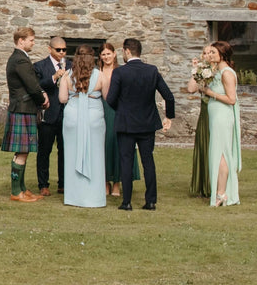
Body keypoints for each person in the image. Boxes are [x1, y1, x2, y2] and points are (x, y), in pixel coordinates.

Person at [105, 37, 175, 211]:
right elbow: (169, 96)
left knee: (126, 161)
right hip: (147, 123)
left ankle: (126, 201)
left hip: (126, 123)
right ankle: (151, 201)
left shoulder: (120, 72)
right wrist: (169, 117)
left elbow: (111, 99)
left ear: (127, 51)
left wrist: (121, 109)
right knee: (148, 161)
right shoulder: (151, 70)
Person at [194, 41, 242, 207]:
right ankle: (220, 191)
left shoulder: (227, 73)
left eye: (213, 52)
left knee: (222, 154)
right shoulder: (215, 71)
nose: (210, 55)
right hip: (215, 116)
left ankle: (221, 193)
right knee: (217, 152)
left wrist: (210, 93)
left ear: (222, 54)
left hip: (222, 116)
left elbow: (231, 99)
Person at [3, 28, 47, 203]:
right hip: (22, 108)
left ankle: (21, 188)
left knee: (24, 150)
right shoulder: (20, 59)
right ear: (21, 40)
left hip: (24, 108)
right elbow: (32, 85)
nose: (33, 43)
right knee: (22, 151)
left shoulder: (20, 58)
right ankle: (16, 192)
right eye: (31, 40)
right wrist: (42, 98)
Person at [59, 45, 107, 208]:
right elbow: (107, 97)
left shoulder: (67, 75)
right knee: (95, 154)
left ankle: (74, 197)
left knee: (71, 154)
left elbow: (63, 98)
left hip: (73, 116)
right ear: (92, 58)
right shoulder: (100, 75)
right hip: (93, 116)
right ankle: (94, 197)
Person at [100, 42, 138, 195]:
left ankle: (117, 182)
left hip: (118, 110)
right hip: (101, 109)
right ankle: (105, 181)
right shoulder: (97, 71)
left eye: (108, 53)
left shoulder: (122, 70)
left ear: (114, 54)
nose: (106, 57)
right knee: (103, 144)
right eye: (103, 54)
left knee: (117, 143)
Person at [34, 36, 67, 196]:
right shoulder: (40, 66)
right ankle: (43, 184)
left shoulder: (71, 65)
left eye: (64, 50)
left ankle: (63, 184)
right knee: (44, 151)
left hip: (66, 115)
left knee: (65, 151)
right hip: (48, 115)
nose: (62, 53)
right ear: (50, 49)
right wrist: (54, 77)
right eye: (58, 49)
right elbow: (36, 86)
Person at [185, 52, 213, 200]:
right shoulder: (203, 71)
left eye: (210, 52)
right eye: (204, 53)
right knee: (203, 146)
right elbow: (191, 89)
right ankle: (202, 185)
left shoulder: (219, 71)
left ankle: (213, 186)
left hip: (215, 113)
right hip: (204, 113)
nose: (207, 55)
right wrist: (195, 71)